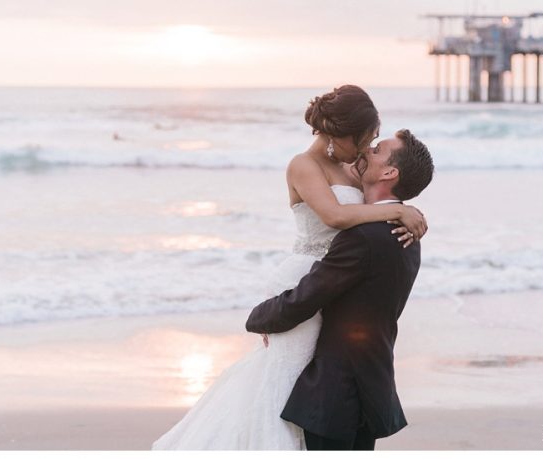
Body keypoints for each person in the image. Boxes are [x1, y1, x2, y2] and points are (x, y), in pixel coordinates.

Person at [151, 85, 428, 450]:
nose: (366, 149)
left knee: (318, 371)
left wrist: (403, 208)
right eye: (366, 140)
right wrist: (396, 209)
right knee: (288, 373)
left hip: (333, 275)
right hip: (305, 275)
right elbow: (335, 215)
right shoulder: (304, 165)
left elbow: (374, 206)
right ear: (341, 134)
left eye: (374, 145)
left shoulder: (353, 172)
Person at [246, 128, 435, 450]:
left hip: (337, 393)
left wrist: (257, 318)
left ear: (389, 173)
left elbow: (306, 298)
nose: (367, 150)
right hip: (372, 384)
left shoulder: (362, 237)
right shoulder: (407, 234)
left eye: (377, 150)